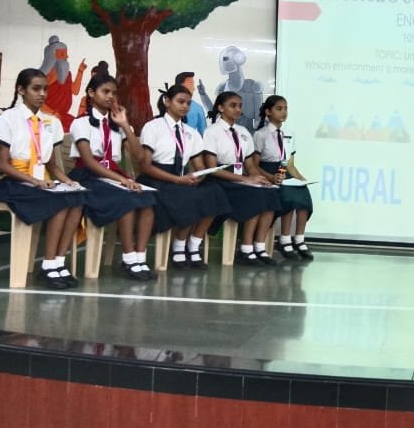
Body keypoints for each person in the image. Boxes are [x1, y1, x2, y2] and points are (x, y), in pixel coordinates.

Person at [0, 67, 87, 289]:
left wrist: (68, 181)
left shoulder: (51, 122)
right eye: (36, 89)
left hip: (41, 182)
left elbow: (52, 165)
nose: (42, 94)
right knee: (59, 202)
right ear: (21, 90)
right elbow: (3, 164)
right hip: (15, 182)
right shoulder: (8, 119)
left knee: (77, 199)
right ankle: (47, 265)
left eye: (45, 89)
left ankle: (58, 262)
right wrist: (34, 181)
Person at [68, 73, 158, 281]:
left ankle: (139, 257)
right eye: (105, 91)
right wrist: (123, 181)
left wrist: (125, 125)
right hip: (88, 175)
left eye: (114, 93)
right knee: (126, 199)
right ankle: (128, 259)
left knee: (148, 199)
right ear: (91, 93)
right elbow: (89, 161)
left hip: (113, 175)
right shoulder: (81, 123)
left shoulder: (117, 124)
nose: (110, 96)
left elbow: (139, 156)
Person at [137, 84, 231, 270]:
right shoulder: (153, 127)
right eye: (180, 102)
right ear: (167, 101)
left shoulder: (192, 133)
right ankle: (178, 247)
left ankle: (192, 244)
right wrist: (178, 180)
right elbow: (145, 166)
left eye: (188, 103)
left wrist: (199, 177)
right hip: (156, 178)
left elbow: (199, 166)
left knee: (214, 192)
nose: (185, 106)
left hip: (181, 178)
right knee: (188, 196)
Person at [202, 91, 283, 265]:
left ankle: (259, 247)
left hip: (241, 179)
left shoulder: (243, 131)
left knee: (269, 192)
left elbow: (251, 166)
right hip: (221, 180)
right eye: (233, 105)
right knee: (254, 196)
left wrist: (259, 179)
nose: (238, 110)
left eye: (240, 106)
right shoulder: (212, 132)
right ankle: (245, 249)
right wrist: (246, 180)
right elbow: (212, 169)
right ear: (220, 108)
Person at [254, 95, 313, 259]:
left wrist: (301, 179)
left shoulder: (290, 133)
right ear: (268, 112)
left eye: (286, 109)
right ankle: (284, 239)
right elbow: (254, 165)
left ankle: (299, 239)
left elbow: (290, 164)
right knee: (288, 196)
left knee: (304, 194)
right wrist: (270, 177)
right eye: (279, 109)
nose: (284, 112)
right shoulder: (261, 134)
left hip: (285, 171)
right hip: (268, 172)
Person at [38, 35, 87, 131]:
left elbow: (75, 91)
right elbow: (38, 102)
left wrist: (80, 71)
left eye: (66, 54)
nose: (67, 57)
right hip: (46, 116)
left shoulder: (66, 75)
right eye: (62, 54)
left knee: (78, 129)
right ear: (52, 57)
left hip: (62, 116)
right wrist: (52, 113)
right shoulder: (43, 78)